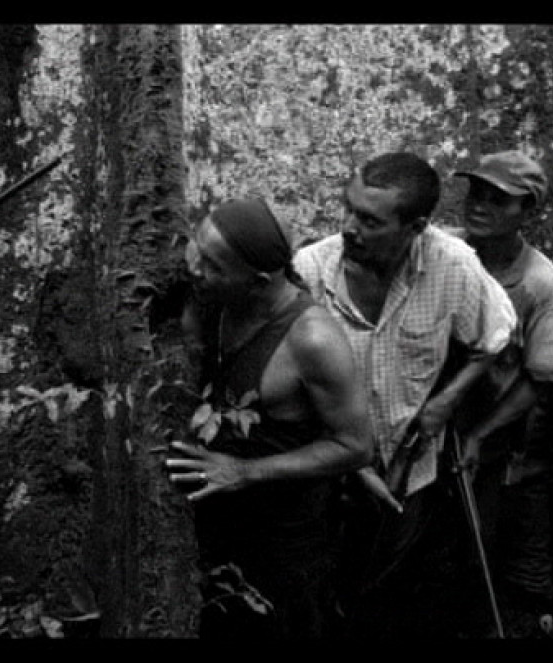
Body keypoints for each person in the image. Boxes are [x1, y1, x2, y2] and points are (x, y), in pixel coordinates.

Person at [293, 152, 517, 638]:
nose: (350, 227)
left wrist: (445, 402)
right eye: (348, 209)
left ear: (416, 227)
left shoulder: (453, 266)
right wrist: (348, 462)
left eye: (370, 221)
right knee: (321, 601)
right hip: (322, 478)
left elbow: (494, 337)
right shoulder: (310, 271)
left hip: (408, 474)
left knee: (389, 602)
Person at [165, 197, 373, 639]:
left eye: (213, 265)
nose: (194, 269)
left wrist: (246, 470)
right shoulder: (215, 300)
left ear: (258, 281)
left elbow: (355, 447)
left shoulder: (312, 341)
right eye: (196, 250)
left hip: (284, 544)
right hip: (216, 533)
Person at [447, 150, 553, 637]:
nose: (480, 205)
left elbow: (541, 381)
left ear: (528, 212)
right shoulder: (447, 252)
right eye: (476, 193)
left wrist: (481, 433)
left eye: (498, 199)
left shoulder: (541, 284)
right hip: (444, 422)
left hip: (505, 433)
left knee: (508, 547)